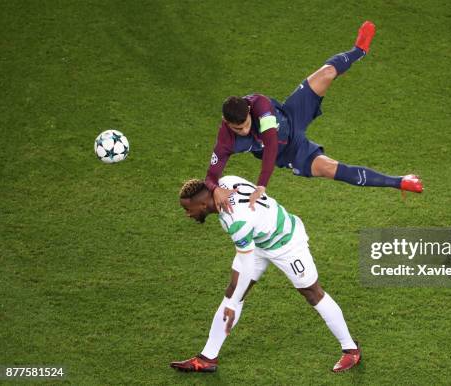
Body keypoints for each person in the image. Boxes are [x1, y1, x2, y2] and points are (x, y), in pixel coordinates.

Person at [205, 21, 424, 212]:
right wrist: (215, 190)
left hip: (292, 114)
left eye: (245, 125)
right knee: (330, 168)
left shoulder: (260, 105)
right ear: (226, 123)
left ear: (249, 110)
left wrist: (261, 184)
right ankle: (400, 182)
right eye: (237, 129)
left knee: (327, 73)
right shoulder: (226, 140)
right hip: (290, 151)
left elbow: (270, 143)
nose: (243, 131)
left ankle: (359, 50)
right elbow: (211, 175)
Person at [170, 176, 362, 373]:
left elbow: (246, 266)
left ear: (202, 204)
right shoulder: (227, 181)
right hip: (258, 240)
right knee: (233, 291)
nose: (187, 214)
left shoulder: (234, 220)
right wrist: (233, 300)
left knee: (312, 292)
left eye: (188, 209)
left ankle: (351, 350)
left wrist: (234, 305)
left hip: (287, 243)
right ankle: (208, 357)